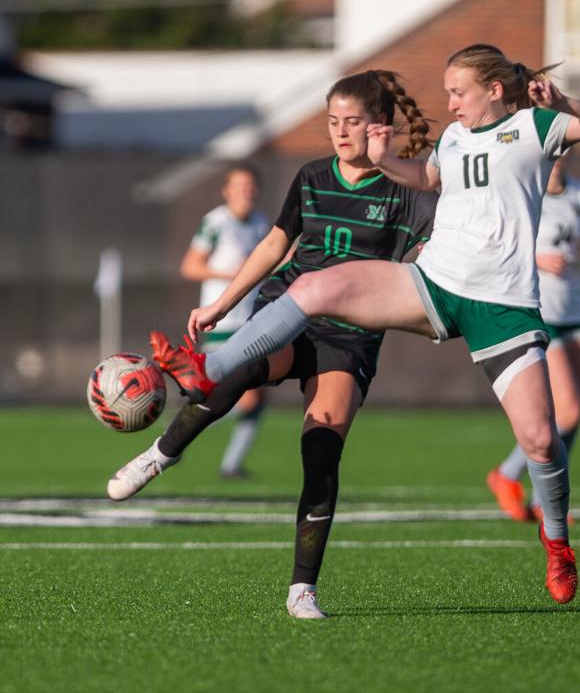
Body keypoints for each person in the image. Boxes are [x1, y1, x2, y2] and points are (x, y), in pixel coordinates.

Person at [151, 45, 580, 606]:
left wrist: (566, 101)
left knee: (542, 441)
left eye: (458, 92)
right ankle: (210, 370)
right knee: (314, 287)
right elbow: (425, 177)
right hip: (433, 283)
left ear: (494, 90)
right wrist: (382, 160)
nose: (448, 104)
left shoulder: (535, 127)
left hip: (502, 305)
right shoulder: (452, 138)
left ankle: (558, 542)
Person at [107, 69, 437, 620]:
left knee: (321, 449)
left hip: (350, 337)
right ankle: (160, 455)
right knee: (240, 372)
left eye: (352, 122)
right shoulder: (311, 176)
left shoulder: (406, 190)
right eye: (333, 121)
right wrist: (221, 306)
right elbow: (275, 244)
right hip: (290, 312)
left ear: (380, 127)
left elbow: (427, 265)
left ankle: (301, 590)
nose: (340, 132)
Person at [485, 148, 580, 522]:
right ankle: (507, 474)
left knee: (573, 413)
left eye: (564, 150)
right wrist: (539, 259)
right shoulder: (526, 193)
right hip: (540, 311)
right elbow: (498, 246)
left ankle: (543, 501)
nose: (558, 157)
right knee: (566, 412)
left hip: (574, 311)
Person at [179, 164, 270, 479]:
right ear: (226, 191)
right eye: (238, 185)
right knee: (241, 395)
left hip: (251, 320)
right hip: (221, 320)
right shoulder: (216, 223)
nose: (245, 191)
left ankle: (230, 464)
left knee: (255, 396)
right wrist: (234, 276)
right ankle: (179, 432)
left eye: (250, 185)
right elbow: (190, 266)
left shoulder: (260, 224)